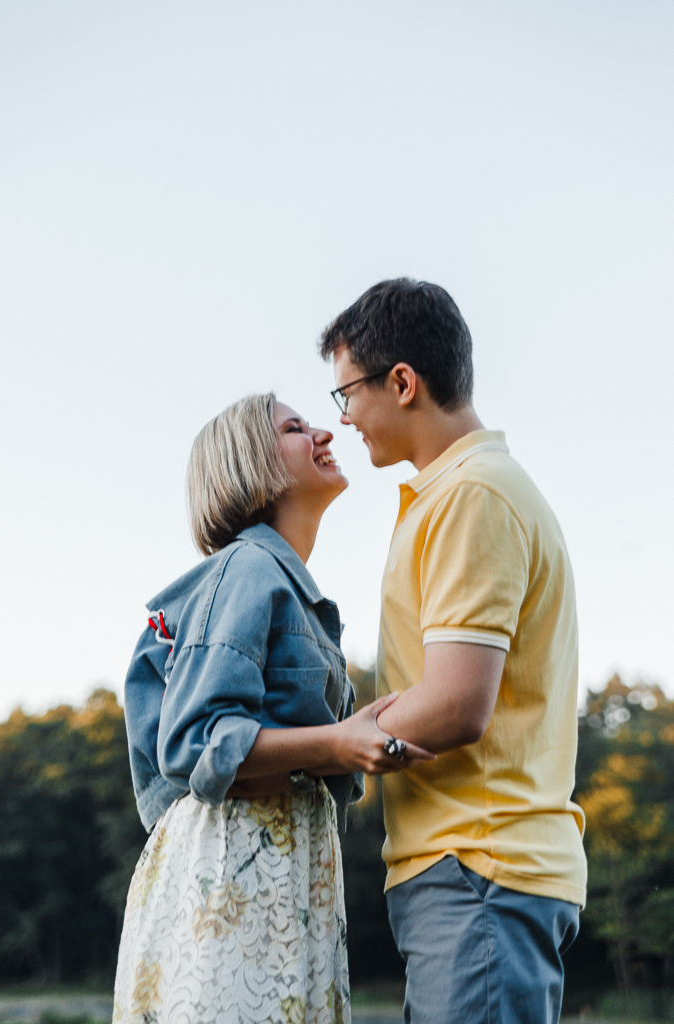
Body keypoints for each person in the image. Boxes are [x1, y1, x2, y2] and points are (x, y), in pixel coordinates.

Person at [113, 392, 431, 1024]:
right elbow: (196, 741)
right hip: (240, 867)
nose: (323, 431)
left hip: (282, 867)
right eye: (295, 426)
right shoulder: (249, 568)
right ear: (251, 462)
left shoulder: (277, 579)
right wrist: (340, 743)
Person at [319, 279, 588, 1024]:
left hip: (479, 868)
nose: (342, 419)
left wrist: (323, 749)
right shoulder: (454, 493)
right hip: (467, 874)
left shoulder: (473, 495)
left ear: (402, 382)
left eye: (346, 394)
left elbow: (454, 703)